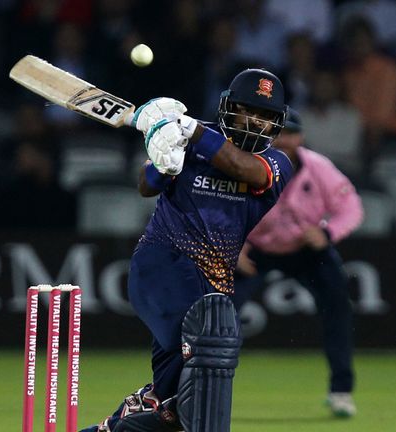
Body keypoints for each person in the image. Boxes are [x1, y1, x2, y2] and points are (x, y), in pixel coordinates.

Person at [81, 69, 294, 432]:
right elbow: (146, 185)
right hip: (163, 264)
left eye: (266, 116)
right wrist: (164, 163)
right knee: (211, 343)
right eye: (249, 110)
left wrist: (190, 128)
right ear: (229, 108)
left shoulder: (277, 162)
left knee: (173, 410)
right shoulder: (188, 138)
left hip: (212, 285)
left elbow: (245, 170)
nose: (256, 122)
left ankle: (125, 418)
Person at [233, 110, 364, 418]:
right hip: (256, 250)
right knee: (218, 312)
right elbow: (226, 209)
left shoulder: (319, 167)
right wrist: (234, 247)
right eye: (277, 133)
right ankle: (202, 388)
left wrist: (327, 233)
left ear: (301, 137)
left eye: (290, 134)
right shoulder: (245, 165)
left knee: (338, 309)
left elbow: (351, 207)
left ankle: (341, 392)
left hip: (307, 251)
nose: (284, 140)